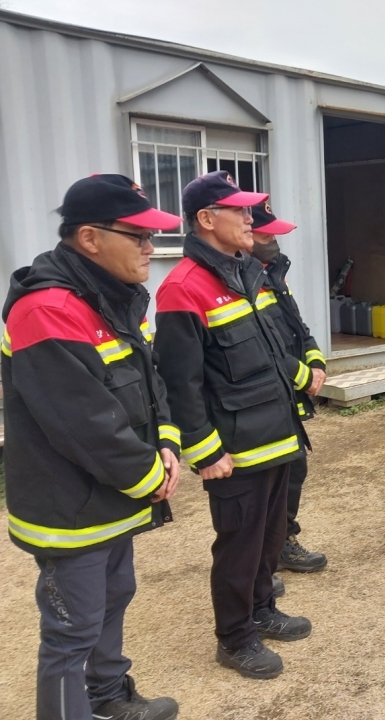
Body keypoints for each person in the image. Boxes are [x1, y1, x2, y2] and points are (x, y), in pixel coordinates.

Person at [2, 174, 181, 720]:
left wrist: (167, 443)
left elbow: (150, 382)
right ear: (89, 238)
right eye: (140, 236)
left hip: (112, 494)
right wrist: (147, 474)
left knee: (114, 596)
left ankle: (106, 697)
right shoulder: (47, 308)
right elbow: (82, 421)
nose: (152, 248)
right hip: (69, 508)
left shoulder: (112, 298)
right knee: (71, 628)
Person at [154, 171, 322, 679]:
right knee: (239, 544)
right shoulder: (181, 288)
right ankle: (235, 636)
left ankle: (262, 607)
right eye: (240, 210)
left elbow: (275, 349)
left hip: (275, 432)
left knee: (272, 536)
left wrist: (301, 381)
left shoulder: (250, 271)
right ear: (207, 219)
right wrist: (205, 452)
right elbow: (180, 384)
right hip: (235, 450)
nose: (252, 219)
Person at [249, 202, 328, 577]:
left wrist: (316, 361)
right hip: (269, 394)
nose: (274, 240)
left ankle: (281, 542)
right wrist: (301, 376)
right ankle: (266, 552)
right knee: (270, 480)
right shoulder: (243, 281)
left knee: (294, 471)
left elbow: (298, 327)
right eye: (266, 234)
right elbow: (261, 347)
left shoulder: (273, 275)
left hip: (289, 394)